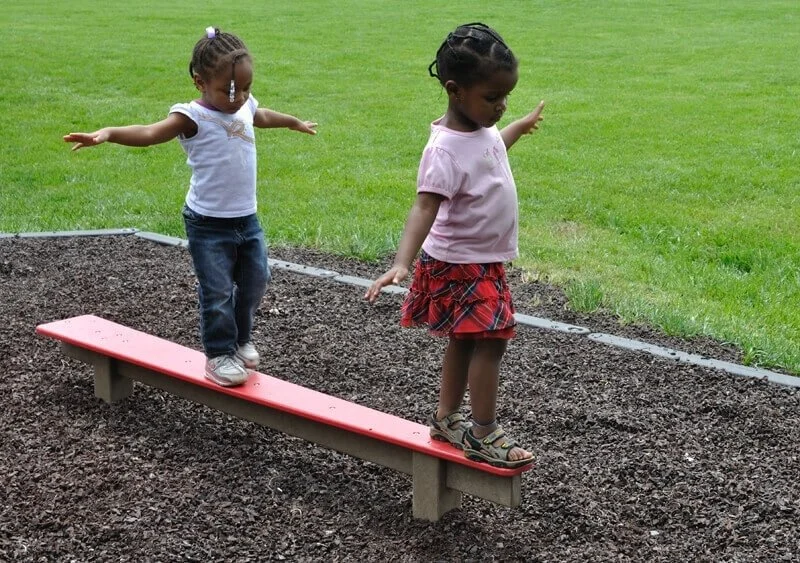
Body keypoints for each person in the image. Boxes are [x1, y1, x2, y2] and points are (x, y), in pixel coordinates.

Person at [64, 27, 317, 387]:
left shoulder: (243, 105)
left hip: (247, 219)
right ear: (200, 82)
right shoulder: (191, 116)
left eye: (245, 88)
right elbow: (150, 133)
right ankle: (218, 355)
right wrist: (106, 133)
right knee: (216, 291)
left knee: (255, 281)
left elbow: (262, 115)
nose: (238, 97)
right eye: (229, 90)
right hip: (207, 224)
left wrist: (293, 122)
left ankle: (241, 340)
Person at [365, 22, 544, 469]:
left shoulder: (480, 128)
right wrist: (402, 263)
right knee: (492, 340)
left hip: (481, 261)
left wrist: (517, 128)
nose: (501, 106)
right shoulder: (443, 149)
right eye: (492, 98)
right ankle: (483, 432)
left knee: (467, 340)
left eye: (507, 98)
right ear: (454, 90)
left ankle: (447, 417)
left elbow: (489, 152)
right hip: (461, 264)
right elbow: (424, 207)